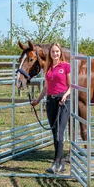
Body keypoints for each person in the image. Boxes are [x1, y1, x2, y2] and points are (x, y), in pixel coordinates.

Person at [30, 42, 71, 174]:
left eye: (57, 51)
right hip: (50, 101)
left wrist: (65, 95)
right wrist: (38, 100)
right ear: (50, 54)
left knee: (59, 131)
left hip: (63, 101)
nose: (55, 54)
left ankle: (56, 162)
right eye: (53, 52)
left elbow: (71, 86)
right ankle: (61, 163)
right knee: (54, 132)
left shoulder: (66, 66)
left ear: (60, 53)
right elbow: (46, 87)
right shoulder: (48, 68)